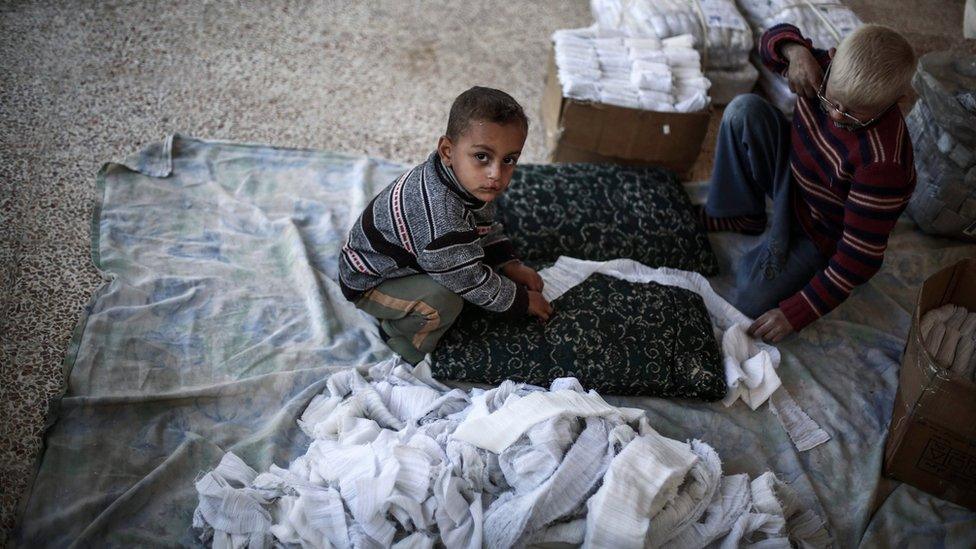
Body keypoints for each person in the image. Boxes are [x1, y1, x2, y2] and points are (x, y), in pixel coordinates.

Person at [697, 23, 917, 343]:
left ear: (895, 102)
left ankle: (786, 248)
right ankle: (741, 211)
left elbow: (858, 259)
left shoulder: (883, 163)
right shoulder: (822, 67)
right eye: (833, 102)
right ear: (832, 58)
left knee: (749, 303)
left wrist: (796, 312)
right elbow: (770, 40)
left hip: (821, 232)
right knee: (743, 110)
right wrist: (794, 51)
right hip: (795, 175)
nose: (838, 117)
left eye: (855, 115)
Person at [338, 86, 553, 364]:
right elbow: (470, 280)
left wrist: (509, 264)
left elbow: (484, 226)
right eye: (482, 157)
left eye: (509, 159)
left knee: (459, 268)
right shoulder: (441, 219)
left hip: (419, 256)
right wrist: (522, 301)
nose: (496, 174)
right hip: (371, 280)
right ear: (447, 151)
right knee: (445, 302)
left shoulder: (468, 183)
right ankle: (399, 337)